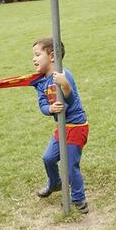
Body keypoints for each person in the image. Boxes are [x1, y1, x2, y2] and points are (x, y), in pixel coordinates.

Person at [31, 37, 89, 213]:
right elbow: (42, 105)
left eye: (37, 54)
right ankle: (55, 183)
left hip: (76, 126)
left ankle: (79, 199)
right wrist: (50, 108)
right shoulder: (41, 82)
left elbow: (71, 100)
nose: (33, 59)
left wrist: (65, 87)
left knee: (70, 165)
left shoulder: (64, 74)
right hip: (62, 127)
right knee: (48, 158)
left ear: (52, 56)